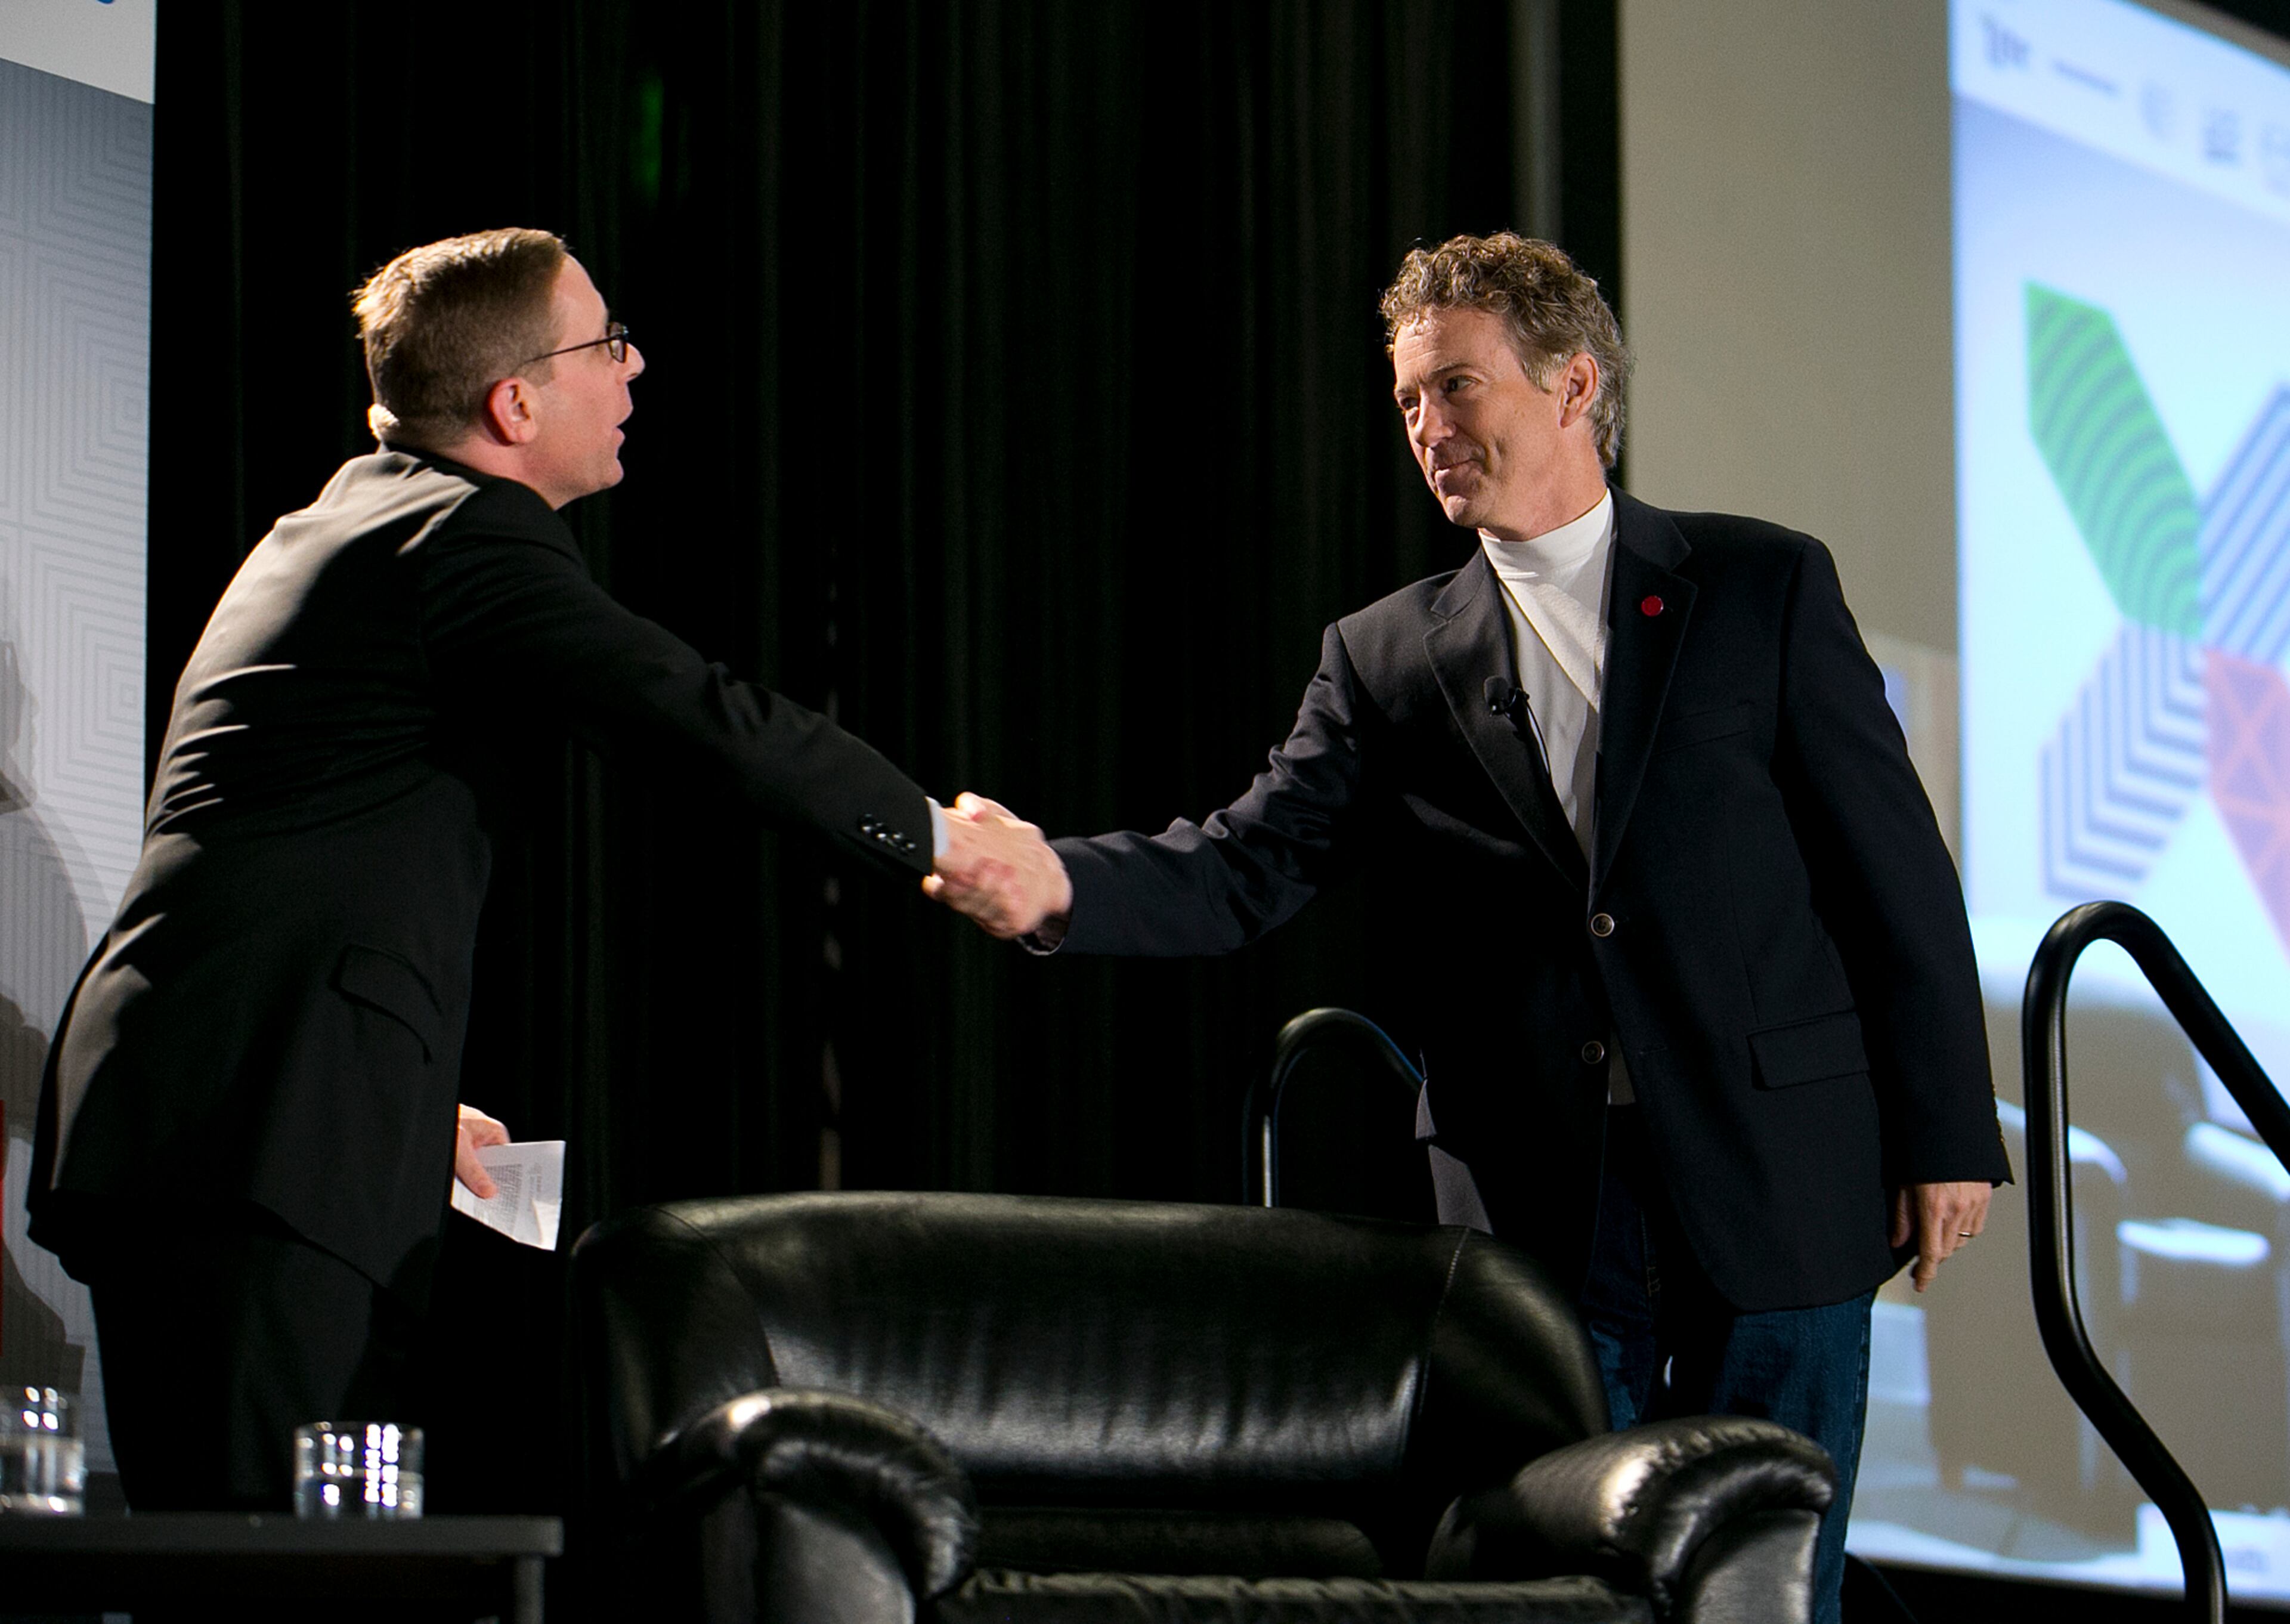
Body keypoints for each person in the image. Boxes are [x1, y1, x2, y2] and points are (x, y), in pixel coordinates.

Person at [929, 231, 2009, 1624]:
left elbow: (1894, 873)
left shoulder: (1762, 586)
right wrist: (1058, 885)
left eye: (1456, 387)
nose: (1428, 426)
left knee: (1770, 1586)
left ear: (1574, 386)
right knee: (1569, 1591)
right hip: (1543, 1207)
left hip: (1775, 1170)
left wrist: (1945, 1131)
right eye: (1408, 401)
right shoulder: (1385, 657)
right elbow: (1247, 864)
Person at [29, 227, 1045, 1511]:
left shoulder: (357, 522)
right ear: (514, 404)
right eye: (606, 344)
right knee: (264, 1563)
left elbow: (298, 854)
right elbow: (700, 717)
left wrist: (386, 1094)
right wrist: (950, 842)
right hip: (251, 1131)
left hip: (254, 1107)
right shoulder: (458, 536)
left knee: (286, 1556)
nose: (635, 367)